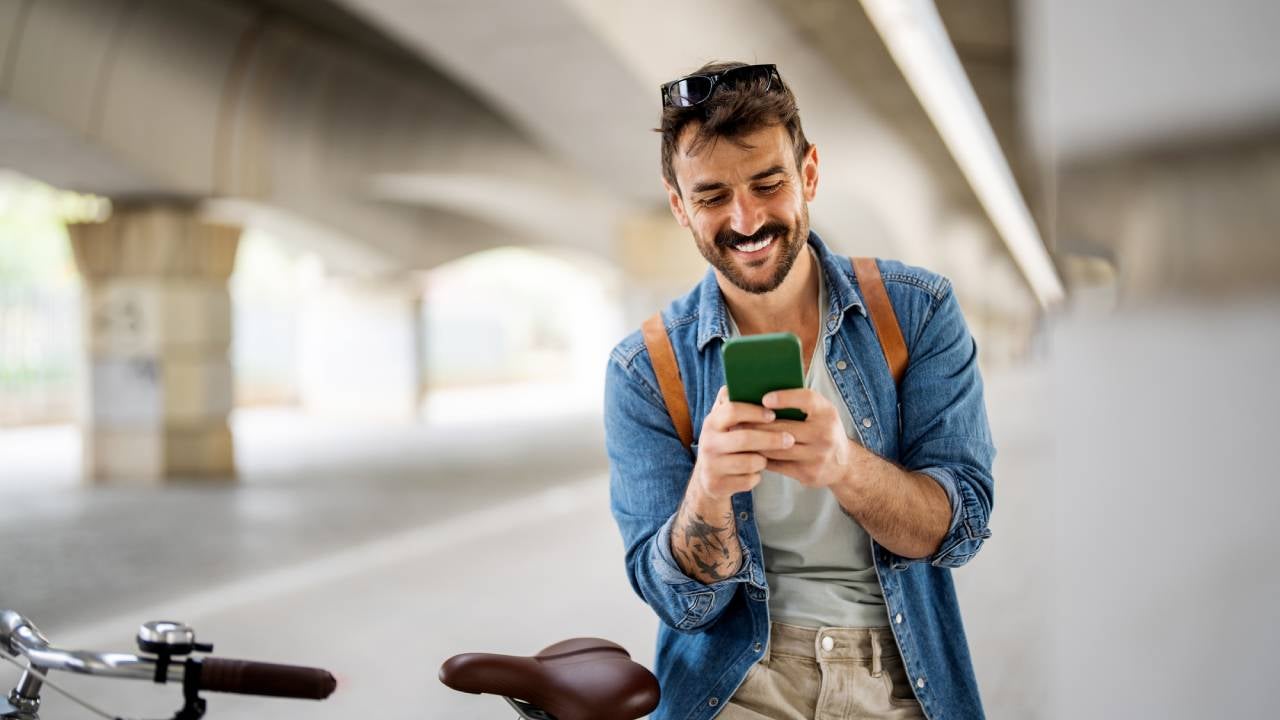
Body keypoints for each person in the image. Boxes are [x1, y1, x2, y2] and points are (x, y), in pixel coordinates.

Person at [604, 61, 996, 720]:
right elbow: (680, 604)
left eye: (768, 183)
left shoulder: (916, 312)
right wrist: (710, 489)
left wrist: (846, 468)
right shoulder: (646, 370)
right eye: (711, 196)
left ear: (809, 173)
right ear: (678, 205)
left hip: (899, 676)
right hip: (734, 685)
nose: (746, 219)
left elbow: (960, 529)